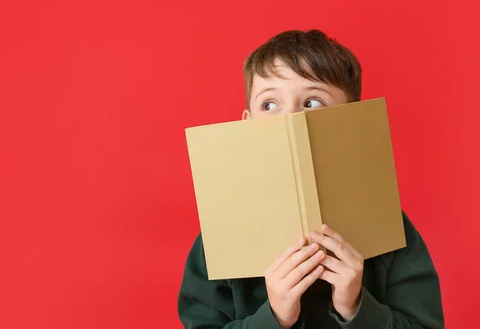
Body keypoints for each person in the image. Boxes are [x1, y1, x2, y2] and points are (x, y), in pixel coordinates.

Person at [177, 30, 444, 328]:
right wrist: (274, 316)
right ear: (246, 125)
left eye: (313, 102)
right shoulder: (219, 239)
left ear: (350, 122)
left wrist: (355, 307)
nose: (291, 118)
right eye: (269, 105)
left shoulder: (391, 229)